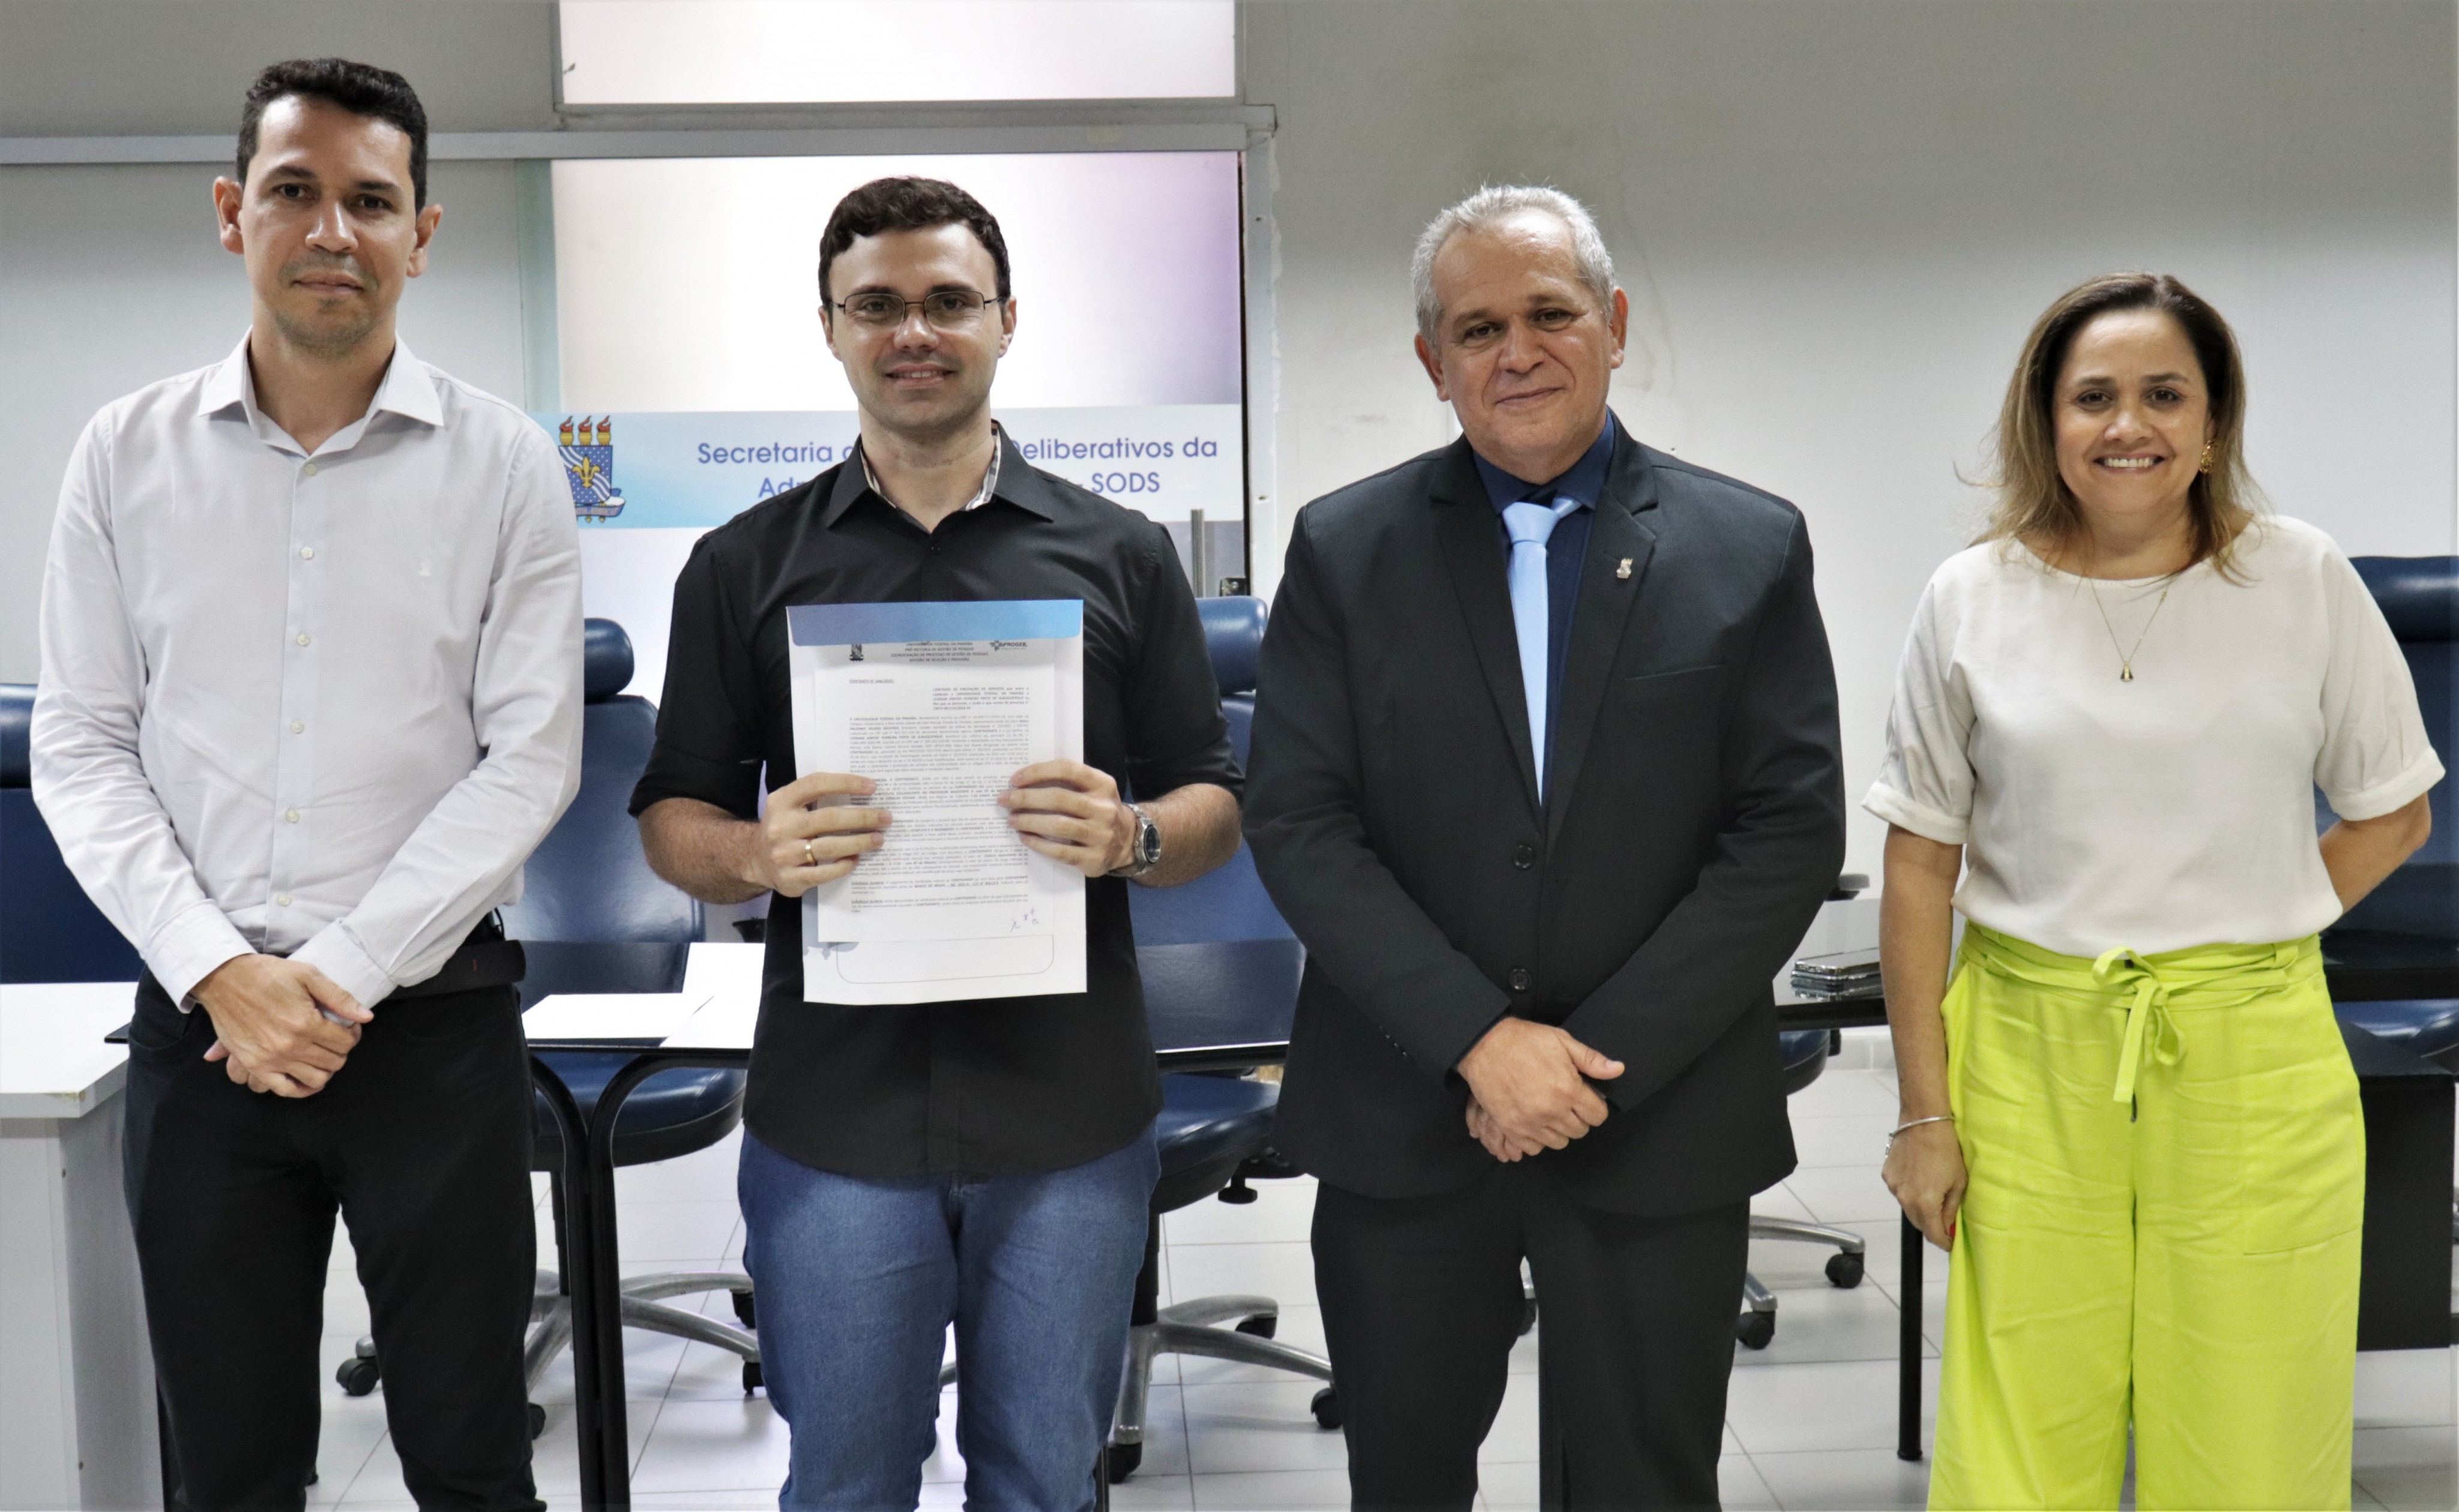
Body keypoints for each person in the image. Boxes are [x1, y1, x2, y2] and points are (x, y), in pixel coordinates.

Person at [630, 176, 1243, 1510]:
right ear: (831, 328)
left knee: (1045, 1484)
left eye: (949, 301)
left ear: (1007, 319)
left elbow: (1213, 799)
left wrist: (1135, 833)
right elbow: (672, 816)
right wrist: (753, 856)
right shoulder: (742, 565)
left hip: (1069, 1113)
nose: (914, 331)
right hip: (836, 1119)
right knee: (847, 1485)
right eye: (877, 306)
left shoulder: (1123, 555)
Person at [31, 58, 582, 1512]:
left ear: (421, 233)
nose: (333, 230)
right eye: (295, 191)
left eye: (371, 201)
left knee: (472, 1458)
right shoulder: (123, 454)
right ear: (234, 213)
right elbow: (81, 744)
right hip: (204, 1034)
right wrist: (223, 972)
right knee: (228, 1472)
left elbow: (529, 756)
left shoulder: (506, 464)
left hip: (432, 1032)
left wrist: (329, 980)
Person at [1244, 185, 1847, 1510]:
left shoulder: (1746, 547)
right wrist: (1479, 1041)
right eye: (1476, 330)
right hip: (1406, 1115)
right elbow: (1299, 820)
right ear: (1432, 362)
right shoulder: (1344, 551)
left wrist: (1582, 1066)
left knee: (1643, 1484)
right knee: (1404, 1482)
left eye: (1549, 314)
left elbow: (1787, 830)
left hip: (1657, 1116)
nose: (1515, 352)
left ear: (1613, 324)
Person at [1871, 272, 2441, 1510]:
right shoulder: (1969, 598)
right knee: (2026, 1428)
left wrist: (2253, 919)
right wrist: (1922, 1115)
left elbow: (2394, 810)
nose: (2126, 425)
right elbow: (1919, 863)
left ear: (2213, 422)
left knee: (2251, 1420)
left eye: (2163, 395)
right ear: (2045, 421)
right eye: (2092, 397)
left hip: (2250, 1055)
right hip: (2027, 1055)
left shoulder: (2298, 578)